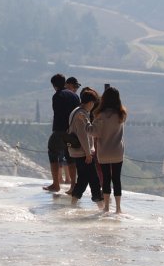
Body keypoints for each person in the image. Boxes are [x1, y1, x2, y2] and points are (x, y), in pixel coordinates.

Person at [86, 86, 127, 214]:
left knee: (106, 179)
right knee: (116, 179)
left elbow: (94, 132)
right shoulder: (122, 114)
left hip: (104, 152)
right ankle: (119, 208)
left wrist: (86, 123)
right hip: (117, 152)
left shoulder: (100, 115)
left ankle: (107, 207)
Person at [44, 73, 80, 192]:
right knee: (71, 157)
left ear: (54, 85)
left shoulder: (57, 96)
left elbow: (58, 113)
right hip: (73, 132)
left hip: (60, 130)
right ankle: (73, 186)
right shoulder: (75, 96)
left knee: (52, 151)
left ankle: (56, 184)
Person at [68, 87, 103, 206]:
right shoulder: (81, 114)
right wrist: (88, 153)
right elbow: (83, 135)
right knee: (94, 179)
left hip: (79, 152)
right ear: (90, 103)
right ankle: (100, 205)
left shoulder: (76, 111)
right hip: (83, 153)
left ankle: (73, 202)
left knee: (83, 178)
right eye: (93, 104)